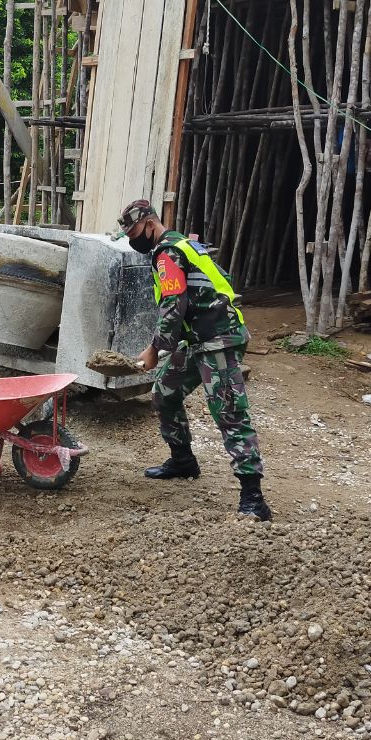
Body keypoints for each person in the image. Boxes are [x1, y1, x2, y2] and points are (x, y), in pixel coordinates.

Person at [115, 199, 272, 521]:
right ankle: (183, 460)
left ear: (149, 224)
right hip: (198, 338)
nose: (133, 239)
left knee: (230, 413)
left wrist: (155, 349)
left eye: (134, 232)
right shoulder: (186, 246)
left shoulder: (167, 252)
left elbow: (175, 304)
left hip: (219, 340)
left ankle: (253, 498)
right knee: (165, 394)